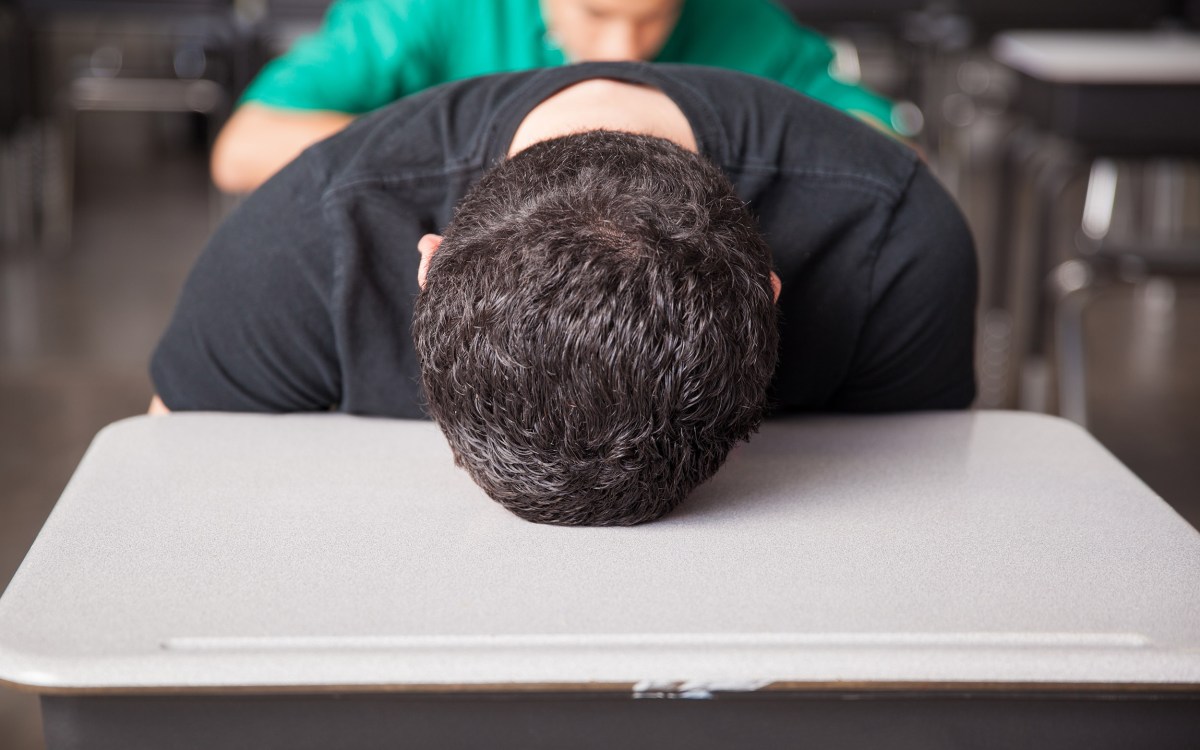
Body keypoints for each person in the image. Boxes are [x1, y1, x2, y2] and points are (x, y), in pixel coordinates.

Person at [152, 62, 977, 525]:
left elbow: (918, 529)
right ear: (428, 271)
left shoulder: (893, 244)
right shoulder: (299, 244)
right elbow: (159, 511)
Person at [211, 0, 902, 193]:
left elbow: (887, 153)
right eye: (596, 16)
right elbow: (243, 151)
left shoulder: (741, 22)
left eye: (655, 18)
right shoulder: (426, 9)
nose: (626, 50)